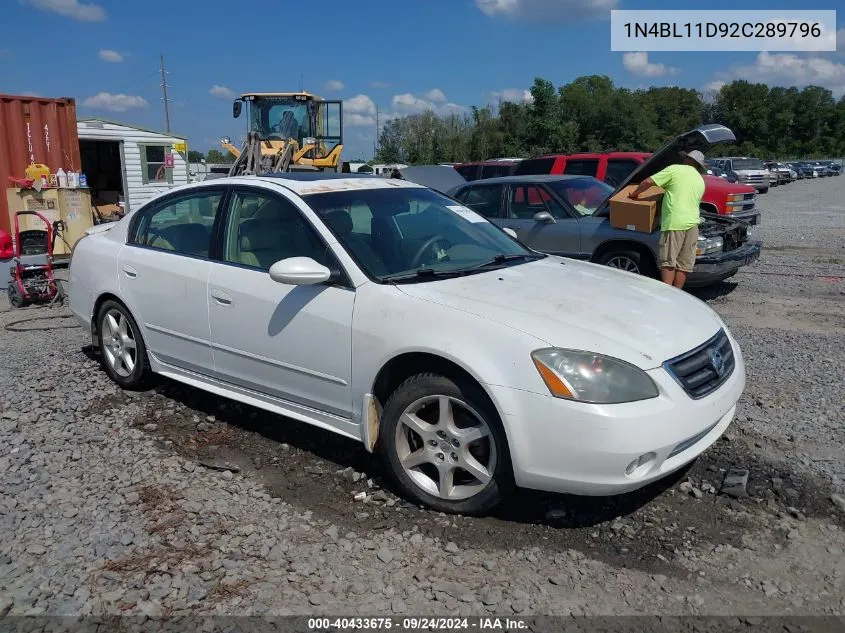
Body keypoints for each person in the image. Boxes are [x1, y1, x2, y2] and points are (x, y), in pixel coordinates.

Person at [629, 149, 706, 289]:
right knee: (684, 265)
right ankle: (678, 294)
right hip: (693, 224)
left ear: (688, 160)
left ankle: (667, 295)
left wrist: (634, 195)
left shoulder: (674, 169)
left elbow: (647, 182)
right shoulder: (700, 179)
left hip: (674, 223)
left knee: (668, 261)